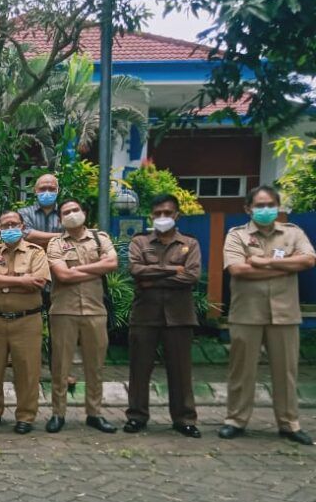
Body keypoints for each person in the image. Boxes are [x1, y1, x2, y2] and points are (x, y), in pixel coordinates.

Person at [220, 185, 315, 445]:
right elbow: (238, 270)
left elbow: (308, 260)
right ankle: (235, 420)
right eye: (259, 205)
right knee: (241, 371)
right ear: (248, 209)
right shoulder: (236, 236)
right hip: (246, 313)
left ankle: (289, 423)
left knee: (286, 372)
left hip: (284, 314)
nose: (265, 210)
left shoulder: (293, 233)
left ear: (278, 206)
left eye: (270, 204)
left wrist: (264, 262)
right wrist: (286, 268)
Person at [124, 194, 203, 438]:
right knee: (139, 369)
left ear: (176, 215)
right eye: (157, 213)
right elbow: (135, 270)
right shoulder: (141, 242)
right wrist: (171, 270)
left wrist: (152, 278)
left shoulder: (189, 243)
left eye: (167, 213)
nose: (162, 218)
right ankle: (137, 416)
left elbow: (191, 276)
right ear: (151, 215)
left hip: (179, 316)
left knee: (180, 370)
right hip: (145, 314)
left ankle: (184, 419)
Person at [44, 199, 119, 434]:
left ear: (84, 213)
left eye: (76, 210)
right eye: (67, 212)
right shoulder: (55, 244)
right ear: (60, 219)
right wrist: (96, 267)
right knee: (60, 366)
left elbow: (113, 262)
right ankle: (58, 413)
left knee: (95, 366)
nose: (72, 214)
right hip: (63, 311)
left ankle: (94, 413)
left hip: (95, 310)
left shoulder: (100, 238)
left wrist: (77, 270)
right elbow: (62, 276)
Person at [0, 210, 51, 434]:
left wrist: (4, 282)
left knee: (27, 370)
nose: (10, 228)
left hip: (27, 320)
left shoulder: (35, 252)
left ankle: (26, 416)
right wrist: (22, 279)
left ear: (22, 226)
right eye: (5, 225)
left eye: (14, 224)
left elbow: (38, 281)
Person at [18, 173, 63, 247]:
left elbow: (72, 237)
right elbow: (27, 235)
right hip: (32, 257)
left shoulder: (65, 213)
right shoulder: (23, 213)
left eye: (52, 189)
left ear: (58, 190)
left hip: (61, 257)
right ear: (35, 191)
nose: (47, 192)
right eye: (42, 189)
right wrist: (62, 236)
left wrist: (38, 239)